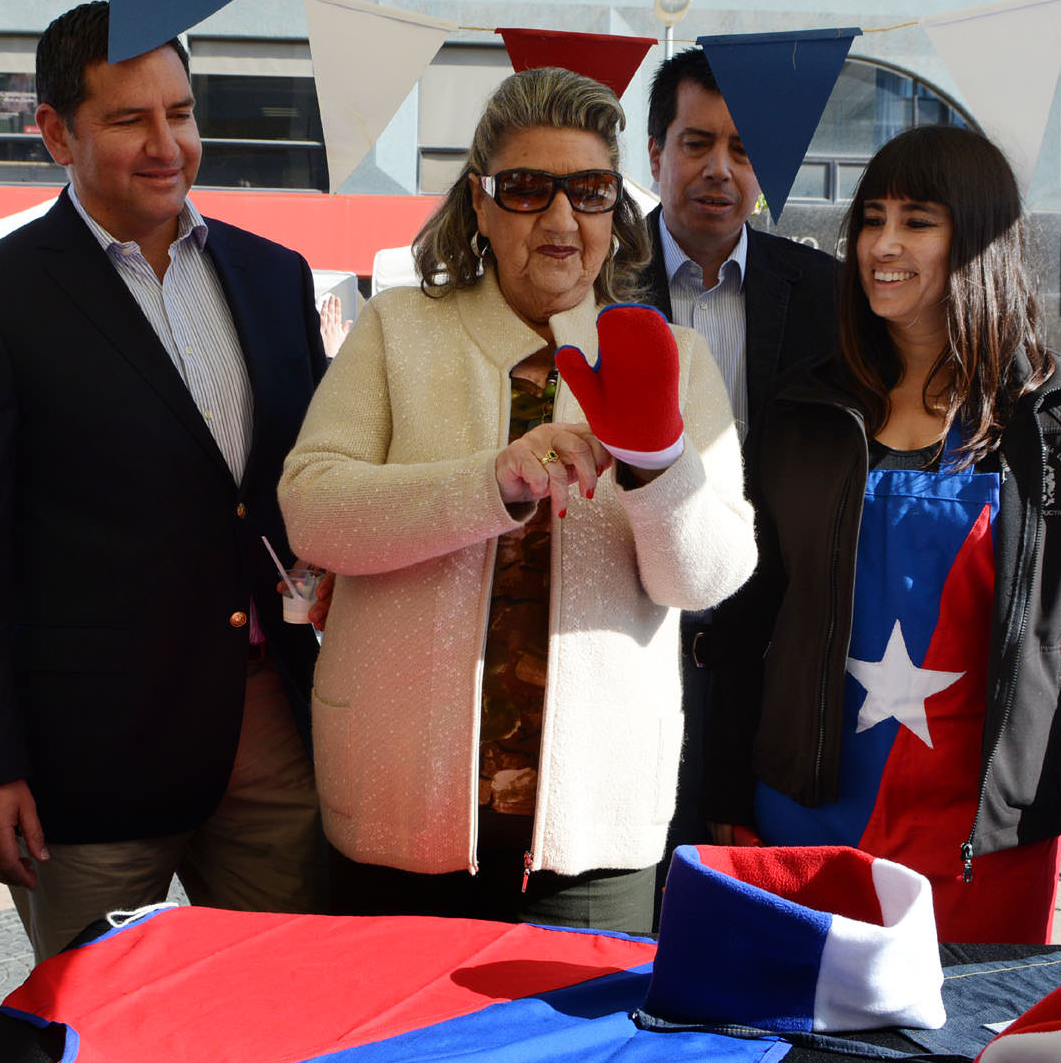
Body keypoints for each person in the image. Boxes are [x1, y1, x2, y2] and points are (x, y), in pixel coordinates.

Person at [0, 2, 329, 964]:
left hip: (271, 730)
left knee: (286, 1012)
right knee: (98, 1031)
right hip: (86, 761)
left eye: (180, 112)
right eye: (129, 119)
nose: (166, 145)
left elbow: (307, 487)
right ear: (56, 132)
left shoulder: (274, 276)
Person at [278, 66, 757, 935]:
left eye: (592, 192)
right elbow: (313, 510)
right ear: (481, 202)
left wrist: (659, 466)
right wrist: (489, 483)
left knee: (579, 1030)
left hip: (594, 826)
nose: (563, 220)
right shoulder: (396, 329)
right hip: (396, 807)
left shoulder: (673, 358)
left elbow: (707, 578)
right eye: (529, 190)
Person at [706, 125, 1061, 944]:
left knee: (968, 1028)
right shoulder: (805, 408)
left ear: (979, 241)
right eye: (871, 219)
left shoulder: (1058, 420)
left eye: (916, 221)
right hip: (802, 822)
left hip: (984, 839)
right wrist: (723, 792)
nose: (882, 245)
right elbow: (747, 611)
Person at [637, 47, 839, 852]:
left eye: (744, 149)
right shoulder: (594, 280)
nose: (719, 169)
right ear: (654, 153)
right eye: (696, 143)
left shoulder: (826, 296)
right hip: (633, 631)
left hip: (773, 650)